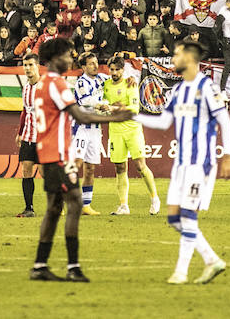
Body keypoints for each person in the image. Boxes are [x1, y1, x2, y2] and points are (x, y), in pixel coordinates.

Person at [28, 37, 130, 283]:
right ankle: (72, 267)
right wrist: (115, 118)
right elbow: (80, 116)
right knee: (73, 203)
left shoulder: (42, 84)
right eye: (67, 55)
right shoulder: (58, 84)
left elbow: (76, 112)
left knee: (54, 209)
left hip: (49, 154)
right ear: (55, 58)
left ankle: (40, 266)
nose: (70, 59)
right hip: (59, 155)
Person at [135, 38, 230, 285]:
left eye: (177, 54)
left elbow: (225, 122)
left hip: (199, 163)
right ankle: (212, 260)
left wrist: (228, 155)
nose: (173, 58)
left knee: (188, 216)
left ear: (189, 59)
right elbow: (163, 122)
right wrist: (132, 116)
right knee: (174, 218)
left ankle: (181, 272)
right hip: (180, 164)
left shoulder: (207, 88)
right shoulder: (179, 90)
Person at [101, 53, 160, 216]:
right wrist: (106, 106)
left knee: (140, 166)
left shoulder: (130, 84)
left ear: (123, 70)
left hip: (132, 129)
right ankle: (123, 205)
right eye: (111, 69)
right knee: (120, 167)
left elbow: (134, 109)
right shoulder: (105, 85)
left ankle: (155, 198)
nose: (114, 73)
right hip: (115, 130)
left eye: (117, 70)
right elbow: (102, 102)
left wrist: (114, 108)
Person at [72, 52, 106, 215]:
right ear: (84, 67)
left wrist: (128, 79)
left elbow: (116, 81)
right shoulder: (81, 82)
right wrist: (102, 105)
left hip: (95, 129)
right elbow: (86, 101)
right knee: (76, 163)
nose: (95, 65)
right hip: (81, 128)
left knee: (90, 168)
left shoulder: (101, 79)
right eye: (91, 63)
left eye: (96, 62)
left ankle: (85, 205)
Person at [16, 53, 41, 217]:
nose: (27, 68)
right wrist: (20, 132)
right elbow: (26, 110)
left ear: (37, 66)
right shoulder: (26, 87)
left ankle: (58, 204)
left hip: (44, 136)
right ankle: (29, 208)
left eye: (30, 65)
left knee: (47, 172)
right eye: (25, 65)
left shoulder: (45, 86)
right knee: (26, 170)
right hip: (28, 135)